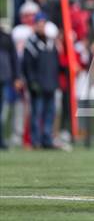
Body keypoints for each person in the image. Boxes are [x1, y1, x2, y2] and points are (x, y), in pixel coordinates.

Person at [23, 13, 59, 149]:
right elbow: (27, 65)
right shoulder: (31, 44)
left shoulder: (51, 43)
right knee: (37, 113)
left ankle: (47, 139)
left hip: (50, 83)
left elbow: (55, 64)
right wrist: (32, 81)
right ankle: (36, 140)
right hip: (38, 84)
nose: (41, 26)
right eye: (39, 23)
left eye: (43, 23)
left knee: (50, 113)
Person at [0, 26, 21, 149]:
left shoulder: (6, 37)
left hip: (3, 79)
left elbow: (14, 58)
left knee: (2, 112)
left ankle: (1, 140)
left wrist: (16, 77)